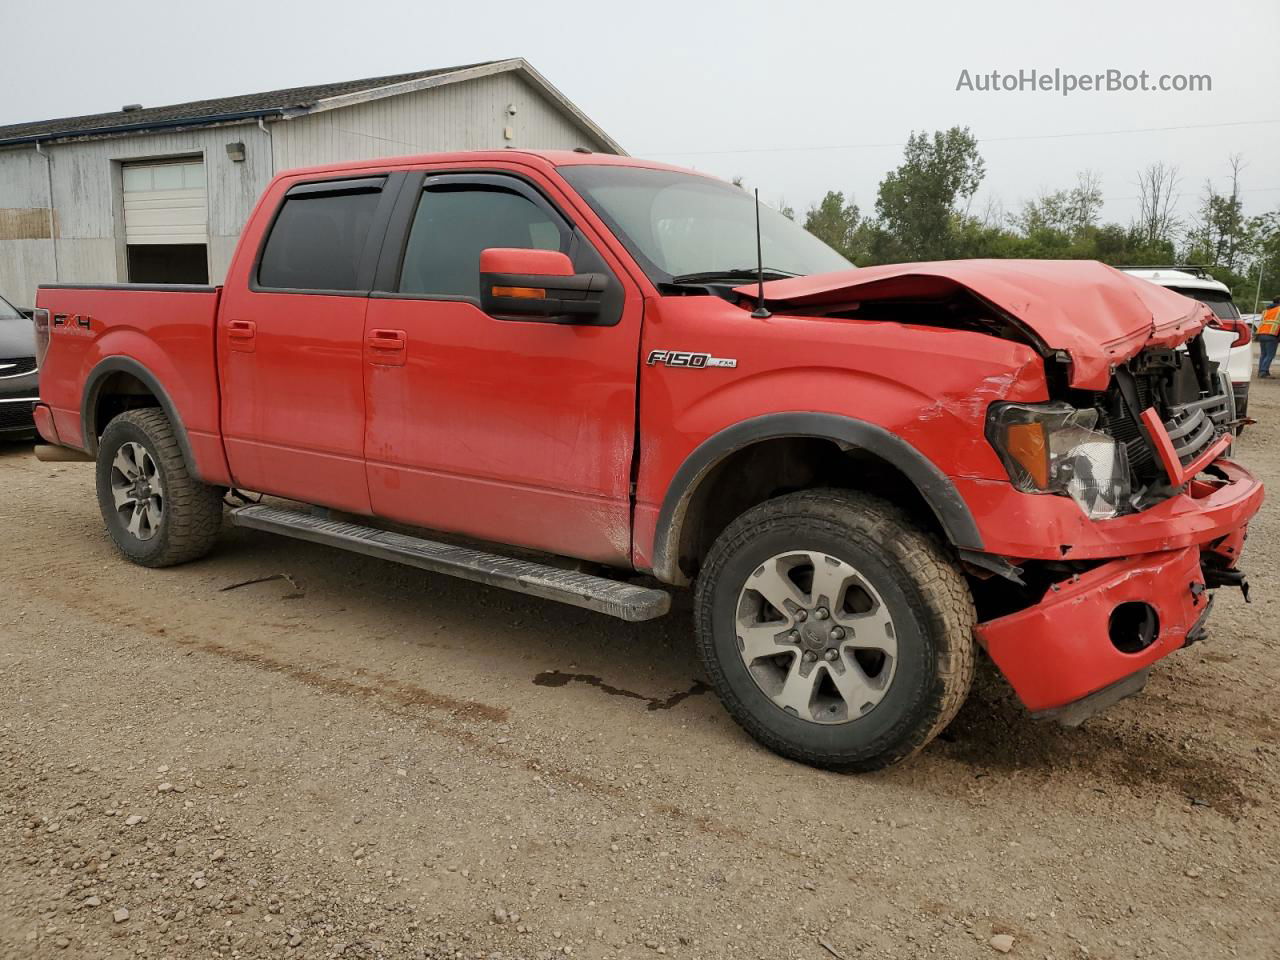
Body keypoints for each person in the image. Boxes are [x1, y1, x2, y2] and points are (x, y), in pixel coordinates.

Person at [1259, 296, 1280, 378]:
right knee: (1270, 355)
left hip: (1261, 333)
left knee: (1263, 354)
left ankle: (1261, 371)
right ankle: (1263, 372)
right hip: (1271, 334)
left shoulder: (1266, 310)